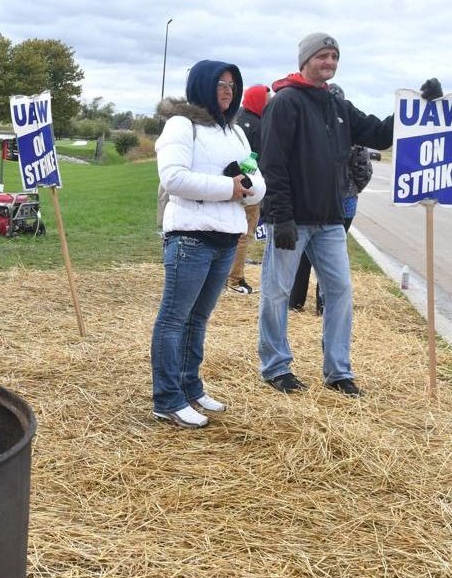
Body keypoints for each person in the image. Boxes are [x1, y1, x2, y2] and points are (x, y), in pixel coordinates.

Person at [257, 32, 441, 396]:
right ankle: (276, 366)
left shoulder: (338, 105)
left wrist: (421, 104)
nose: (329, 62)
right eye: (322, 56)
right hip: (293, 218)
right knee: (276, 293)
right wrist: (281, 216)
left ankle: (338, 371)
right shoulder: (286, 103)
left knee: (340, 291)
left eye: (334, 57)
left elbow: (379, 134)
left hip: (329, 220)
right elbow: (273, 164)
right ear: (305, 60)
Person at [151, 60, 266, 428]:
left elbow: (256, 183)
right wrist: (229, 188)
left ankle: (191, 387)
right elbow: (174, 178)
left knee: (198, 319)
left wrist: (244, 190)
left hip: (225, 238)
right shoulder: (181, 126)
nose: (228, 90)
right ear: (201, 85)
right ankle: (167, 398)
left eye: (233, 84)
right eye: (220, 83)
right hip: (190, 236)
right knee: (174, 320)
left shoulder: (235, 132)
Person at [289, 83, 373, 314]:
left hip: (326, 201)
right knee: (330, 258)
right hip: (344, 202)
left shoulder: (315, 130)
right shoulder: (350, 134)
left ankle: (295, 301)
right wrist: (353, 188)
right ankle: (322, 305)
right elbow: (364, 169)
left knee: (307, 255)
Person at [226, 84, 271, 294]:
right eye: (267, 100)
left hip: (229, 183)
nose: (269, 104)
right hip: (250, 187)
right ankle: (235, 279)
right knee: (244, 234)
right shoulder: (259, 125)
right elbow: (265, 159)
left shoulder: (235, 119)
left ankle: (223, 276)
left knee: (228, 232)